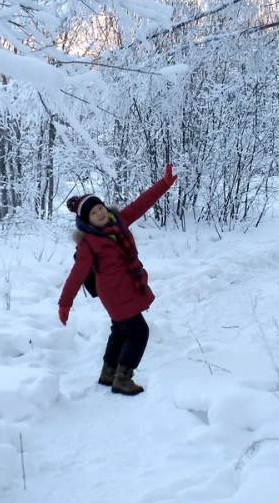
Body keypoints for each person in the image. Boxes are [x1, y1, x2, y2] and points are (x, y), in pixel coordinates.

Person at [58, 163, 178, 395]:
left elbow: (142, 204)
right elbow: (77, 275)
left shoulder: (119, 221)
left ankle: (108, 373)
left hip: (129, 288)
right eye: (94, 213)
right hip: (114, 293)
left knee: (121, 330)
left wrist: (163, 184)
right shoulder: (89, 243)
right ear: (87, 221)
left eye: (100, 207)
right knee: (139, 332)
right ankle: (123, 379)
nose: (100, 213)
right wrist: (65, 303)